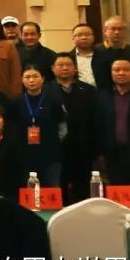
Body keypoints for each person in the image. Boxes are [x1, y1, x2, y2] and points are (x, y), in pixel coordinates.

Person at [47, 52, 98, 202]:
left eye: (68, 65)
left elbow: (95, 119)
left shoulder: (89, 90)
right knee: (58, 189)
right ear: (53, 68)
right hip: (57, 148)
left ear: (75, 68)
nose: (64, 68)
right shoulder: (45, 90)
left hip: (83, 148)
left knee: (83, 191)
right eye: (60, 65)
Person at [96, 58, 130, 188]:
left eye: (126, 70)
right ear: (111, 73)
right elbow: (98, 126)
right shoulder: (103, 97)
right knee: (117, 191)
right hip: (113, 155)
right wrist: (100, 152)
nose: (121, 73)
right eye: (116, 70)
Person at [12, 65, 64, 187]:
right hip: (24, 155)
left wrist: (55, 141)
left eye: (35, 76)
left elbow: (63, 126)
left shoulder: (53, 100)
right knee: (29, 192)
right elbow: (12, 128)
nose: (31, 80)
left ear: (43, 79)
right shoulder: (16, 102)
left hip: (51, 155)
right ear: (22, 79)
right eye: (27, 77)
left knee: (51, 190)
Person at [93, 16, 130, 91]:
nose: (117, 32)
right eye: (113, 29)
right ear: (105, 31)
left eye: (120, 29)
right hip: (102, 93)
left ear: (125, 31)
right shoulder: (96, 51)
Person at [70, 23, 97, 87]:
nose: (84, 37)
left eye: (87, 35)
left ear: (93, 37)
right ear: (73, 38)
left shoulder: (104, 55)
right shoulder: (68, 58)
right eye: (79, 35)